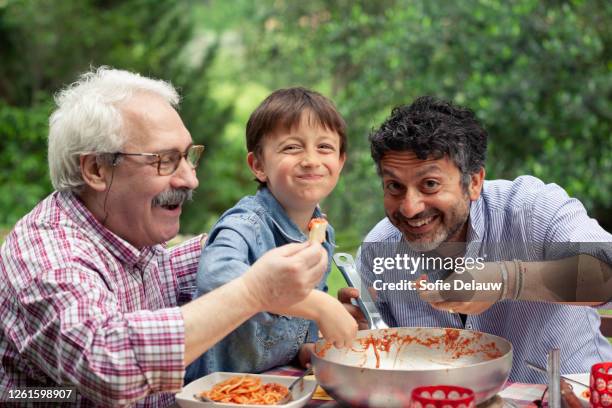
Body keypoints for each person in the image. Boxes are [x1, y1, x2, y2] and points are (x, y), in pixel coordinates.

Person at [0, 68, 332, 407]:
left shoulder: (134, 237)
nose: (190, 179)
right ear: (97, 169)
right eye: (165, 161)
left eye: (188, 157)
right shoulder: (47, 254)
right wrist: (254, 291)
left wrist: (264, 237)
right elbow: (110, 361)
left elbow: (191, 269)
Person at [342, 96, 612, 383]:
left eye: (430, 184)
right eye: (395, 186)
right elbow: (385, 361)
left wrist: (504, 280)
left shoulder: (532, 209)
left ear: (473, 182)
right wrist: (362, 334)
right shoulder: (379, 249)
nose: (410, 207)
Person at [189, 87, 357, 380]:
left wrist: (305, 348)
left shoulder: (321, 233)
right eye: (292, 147)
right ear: (258, 165)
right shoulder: (246, 224)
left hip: (277, 386)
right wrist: (321, 306)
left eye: (324, 147)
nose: (310, 160)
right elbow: (216, 279)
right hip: (216, 392)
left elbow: (294, 325)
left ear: (340, 162)